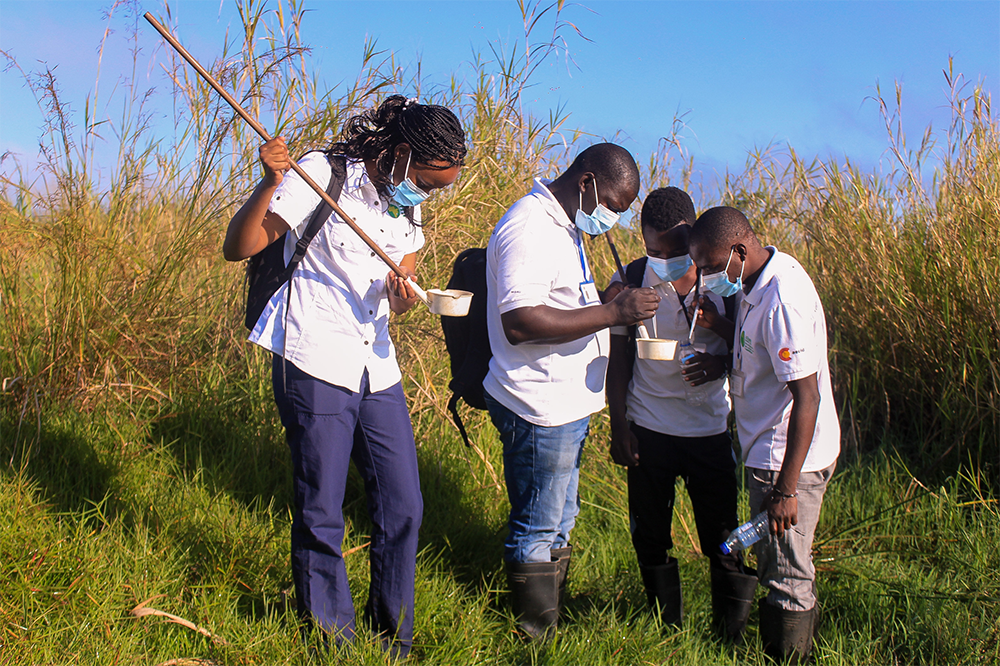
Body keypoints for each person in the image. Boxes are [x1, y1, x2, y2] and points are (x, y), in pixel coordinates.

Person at [223, 95, 467, 658]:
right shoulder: (322, 173)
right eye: (428, 183)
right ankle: (333, 641)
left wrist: (402, 296)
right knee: (321, 507)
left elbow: (397, 285)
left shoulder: (408, 205)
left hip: (375, 363)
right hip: (313, 354)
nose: (428, 196)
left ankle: (394, 640)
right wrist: (268, 183)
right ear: (403, 154)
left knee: (404, 504)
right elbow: (239, 248)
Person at [483, 142, 661, 639]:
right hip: (538, 404)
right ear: (586, 183)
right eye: (613, 207)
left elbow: (559, 303)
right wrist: (614, 313)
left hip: (565, 405)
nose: (613, 220)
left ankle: (548, 619)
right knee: (538, 524)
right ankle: (532, 635)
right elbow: (520, 322)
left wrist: (602, 300)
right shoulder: (529, 226)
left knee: (560, 516)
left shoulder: (565, 225)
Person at [603, 187, 756, 640]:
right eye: (654, 250)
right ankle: (664, 629)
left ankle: (729, 632)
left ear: (694, 237)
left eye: (675, 251)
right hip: (649, 428)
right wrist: (619, 427)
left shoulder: (725, 282)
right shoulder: (631, 278)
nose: (664, 260)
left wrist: (720, 361)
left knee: (724, 536)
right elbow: (619, 359)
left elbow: (755, 348)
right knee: (650, 534)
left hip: (709, 430)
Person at [689, 206, 840, 663]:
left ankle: (790, 656)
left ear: (739, 250)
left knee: (788, 574)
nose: (708, 277)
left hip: (785, 460)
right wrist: (723, 346)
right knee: (775, 561)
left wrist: (786, 489)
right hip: (766, 451)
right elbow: (764, 352)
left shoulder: (783, 299)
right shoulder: (758, 281)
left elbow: (806, 396)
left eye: (713, 267)